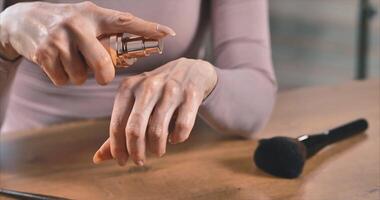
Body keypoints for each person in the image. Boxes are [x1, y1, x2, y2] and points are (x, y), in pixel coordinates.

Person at [0, 0, 277, 167]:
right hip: (30, 163)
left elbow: (256, 98)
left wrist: (205, 78)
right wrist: (5, 32)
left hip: (168, 162)